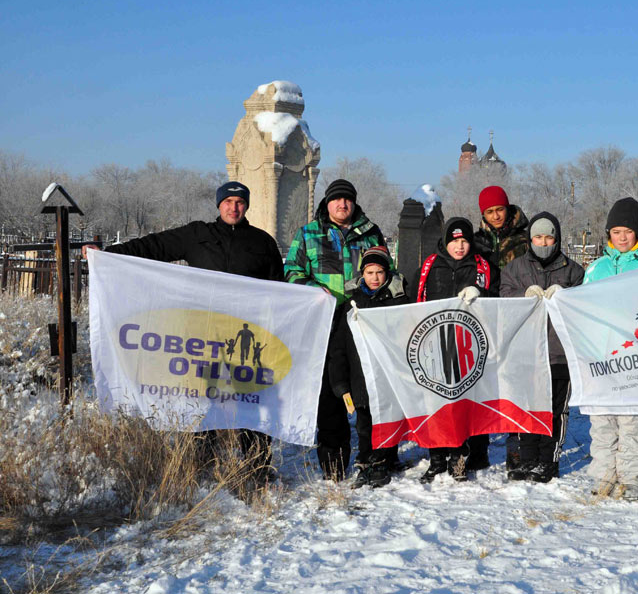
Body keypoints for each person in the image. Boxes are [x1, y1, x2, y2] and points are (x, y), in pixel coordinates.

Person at [82, 180, 283, 476]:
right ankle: (200, 461)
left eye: (240, 202)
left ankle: (257, 464)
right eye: (228, 202)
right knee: (201, 397)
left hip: (244, 336)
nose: (234, 207)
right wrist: (107, 254)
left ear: (247, 206)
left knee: (250, 398)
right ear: (219, 205)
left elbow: (279, 289)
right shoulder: (198, 234)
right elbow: (154, 246)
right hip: (203, 333)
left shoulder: (262, 242)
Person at [284, 178, 386, 480]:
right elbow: (291, 271)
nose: (342, 205)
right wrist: (313, 289)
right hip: (324, 322)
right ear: (326, 204)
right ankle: (333, 464)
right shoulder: (308, 233)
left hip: (362, 319)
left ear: (354, 203)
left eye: (348, 200)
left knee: (369, 389)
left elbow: (385, 270)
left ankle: (377, 457)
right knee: (330, 392)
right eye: (337, 200)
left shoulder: (370, 232)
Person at [499, 211, 584, 483]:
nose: (543, 242)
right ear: (529, 238)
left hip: (560, 353)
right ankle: (527, 458)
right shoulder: (515, 269)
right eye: (538, 236)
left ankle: (549, 460)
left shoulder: (573, 270)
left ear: (557, 239)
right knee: (527, 406)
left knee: (555, 409)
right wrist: (522, 295)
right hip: (526, 352)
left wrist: (567, 297)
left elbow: (584, 304)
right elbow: (504, 298)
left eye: (549, 237)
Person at [582, 197, 638, 501]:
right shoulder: (596, 268)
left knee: (630, 422)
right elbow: (581, 307)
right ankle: (603, 476)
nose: (622, 237)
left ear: (637, 232)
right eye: (616, 231)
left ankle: (632, 477)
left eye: (628, 231)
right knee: (602, 421)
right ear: (608, 233)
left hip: (634, 357)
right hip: (601, 357)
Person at [416, 217, 500, 483]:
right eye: (455, 241)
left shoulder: (482, 266)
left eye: (464, 240)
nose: (460, 246)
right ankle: (436, 456)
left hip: (467, 342)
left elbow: (498, 298)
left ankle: (459, 455)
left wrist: (481, 293)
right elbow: (417, 301)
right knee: (436, 400)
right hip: (434, 340)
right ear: (446, 241)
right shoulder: (430, 265)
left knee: (462, 399)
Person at [328, 246, 409, 489]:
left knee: (387, 419)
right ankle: (365, 460)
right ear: (362, 273)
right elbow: (339, 347)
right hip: (360, 376)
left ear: (388, 273)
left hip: (388, 375)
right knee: (364, 423)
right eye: (369, 272)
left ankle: (383, 460)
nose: (374, 277)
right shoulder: (351, 305)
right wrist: (341, 384)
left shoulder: (400, 301)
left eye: (380, 272)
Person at [471, 185, 530, 472]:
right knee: (481, 381)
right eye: (489, 211)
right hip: (484, 316)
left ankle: (516, 448)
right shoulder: (476, 241)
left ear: (508, 209)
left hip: (515, 314)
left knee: (514, 383)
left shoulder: (524, 237)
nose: (495, 216)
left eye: (499, 210)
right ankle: (478, 448)